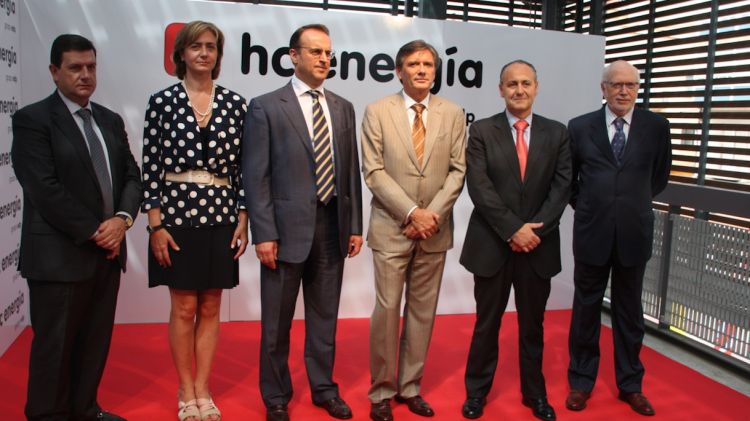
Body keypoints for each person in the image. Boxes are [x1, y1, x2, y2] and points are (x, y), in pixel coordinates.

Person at [11, 34, 142, 421]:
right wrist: (96, 231)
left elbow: (132, 178)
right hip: (59, 258)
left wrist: (121, 221)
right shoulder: (33, 120)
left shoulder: (109, 119)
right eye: (75, 67)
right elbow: (42, 188)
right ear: (54, 71)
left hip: (107, 254)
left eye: (91, 67)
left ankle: (85, 409)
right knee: (55, 347)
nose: (85, 75)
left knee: (94, 343)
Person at [242, 23, 363, 421]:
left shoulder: (343, 107)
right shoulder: (265, 106)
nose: (325, 59)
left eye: (328, 53)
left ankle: (324, 389)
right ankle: (275, 396)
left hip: (332, 228)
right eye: (315, 52)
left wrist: (355, 225)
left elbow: (349, 173)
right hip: (283, 233)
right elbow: (255, 176)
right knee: (276, 324)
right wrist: (264, 233)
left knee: (324, 319)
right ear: (293, 56)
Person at [141, 21, 248, 421]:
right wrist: (155, 225)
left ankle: (205, 390)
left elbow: (242, 169)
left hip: (221, 215)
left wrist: (243, 215)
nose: (204, 53)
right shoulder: (162, 102)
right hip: (176, 216)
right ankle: (185, 391)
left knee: (212, 306)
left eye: (211, 47)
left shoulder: (236, 104)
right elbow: (150, 166)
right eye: (196, 47)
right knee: (183, 308)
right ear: (181, 53)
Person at [459, 60, 571, 421]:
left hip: (538, 246)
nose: (518, 89)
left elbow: (562, 186)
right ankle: (476, 393)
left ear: (536, 87)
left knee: (532, 326)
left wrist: (533, 232)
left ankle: (535, 394)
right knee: (486, 323)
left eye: (525, 83)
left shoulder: (557, 133)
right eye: (511, 84)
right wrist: (512, 229)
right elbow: (479, 186)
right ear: (500, 89)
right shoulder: (481, 132)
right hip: (492, 244)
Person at [361, 39, 466, 421]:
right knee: (387, 311)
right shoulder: (377, 111)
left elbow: (458, 171)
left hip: (435, 229)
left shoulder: (453, 113)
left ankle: (410, 387)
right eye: (413, 64)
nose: (421, 70)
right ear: (399, 70)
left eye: (428, 64)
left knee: (423, 312)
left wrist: (431, 215)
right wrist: (411, 213)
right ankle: (381, 391)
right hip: (392, 227)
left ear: (435, 71)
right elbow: (372, 170)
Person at [565, 60, 671, 416]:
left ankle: (631, 385)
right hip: (592, 232)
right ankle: (580, 382)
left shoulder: (657, 127)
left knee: (630, 314)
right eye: (616, 85)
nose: (624, 91)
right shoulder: (580, 127)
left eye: (630, 85)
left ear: (638, 89)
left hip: (633, 234)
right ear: (603, 88)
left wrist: (628, 205)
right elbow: (570, 180)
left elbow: (658, 178)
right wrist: (591, 207)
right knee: (585, 311)